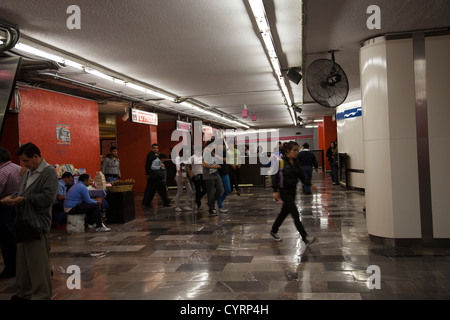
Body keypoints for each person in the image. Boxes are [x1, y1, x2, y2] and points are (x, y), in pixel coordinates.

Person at [0, 143, 58, 300]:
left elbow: (48, 198)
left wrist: (23, 199)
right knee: (23, 264)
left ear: (36, 157)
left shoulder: (49, 173)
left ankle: (40, 295)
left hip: (36, 223)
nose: (23, 165)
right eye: (22, 161)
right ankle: (24, 293)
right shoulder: (27, 173)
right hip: (23, 222)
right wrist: (11, 198)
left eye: (26, 160)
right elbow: (21, 192)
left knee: (37, 264)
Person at [270, 141, 316, 245]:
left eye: (297, 150)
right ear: (288, 151)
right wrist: (275, 191)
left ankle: (273, 231)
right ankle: (305, 237)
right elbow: (274, 176)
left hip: (292, 191)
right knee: (295, 214)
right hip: (284, 191)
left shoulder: (297, 162)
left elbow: (301, 176)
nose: (296, 152)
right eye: (294, 150)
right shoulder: (281, 162)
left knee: (284, 213)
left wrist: (310, 184)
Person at [0, 147, 22, 279]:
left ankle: (11, 269)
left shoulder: (2, 172)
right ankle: (20, 266)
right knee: (17, 238)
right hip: (19, 206)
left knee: (7, 240)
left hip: (5, 208)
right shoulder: (18, 169)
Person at [202, 140, 224, 216]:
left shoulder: (211, 153)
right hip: (208, 175)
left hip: (215, 174)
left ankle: (210, 202)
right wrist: (214, 166)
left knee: (220, 189)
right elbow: (204, 164)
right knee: (210, 192)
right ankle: (212, 209)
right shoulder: (205, 152)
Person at [217, 143, 230, 213]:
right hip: (217, 173)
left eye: (222, 145)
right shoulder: (214, 152)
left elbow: (226, 160)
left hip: (225, 173)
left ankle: (219, 202)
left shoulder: (225, 152)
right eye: (220, 144)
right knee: (219, 190)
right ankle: (220, 206)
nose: (221, 146)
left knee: (228, 189)